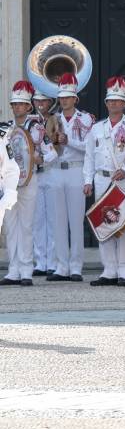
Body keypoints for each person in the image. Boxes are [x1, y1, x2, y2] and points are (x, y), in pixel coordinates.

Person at [82, 76, 125, 287]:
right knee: (104, 222)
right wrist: (87, 181)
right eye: (110, 101)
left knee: (123, 224)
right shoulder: (96, 128)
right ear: (106, 103)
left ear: (124, 104)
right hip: (101, 180)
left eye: (117, 101)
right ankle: (109, 270)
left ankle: (124, 271)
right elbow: (89, 157)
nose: (114, 104)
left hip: (123, 181)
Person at [2, 80, 56, 286]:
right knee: (10, 226)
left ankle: (26, 270)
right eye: (14, 104)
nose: (17, 107)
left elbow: (51, 154)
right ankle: (13, 270)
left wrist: (38, 159)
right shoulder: (6, 128)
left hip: (29, 181)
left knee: (26, 226)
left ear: (28, 106)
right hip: (9, 184)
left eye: (21, 104)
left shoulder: (36, 128)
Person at [45, 72, 93, 282]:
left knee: (75, 221)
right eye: (61, 97)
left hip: (76, 170)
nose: (64, 100)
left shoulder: (85, 119)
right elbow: (47, 147)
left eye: (68, 97)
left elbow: (89, 148)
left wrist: (68, 141)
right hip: (55, 170)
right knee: (58, 222)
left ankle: (75, 267)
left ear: (75, 98)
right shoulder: (52, 119)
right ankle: (61, 266)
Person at [31, 90, 57, 276]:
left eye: (44, 100)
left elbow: (58, 146)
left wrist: (43, 158)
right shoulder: (29, 121)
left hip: (52, 171)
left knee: (53, 220)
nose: (40, 103)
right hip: (33, 176)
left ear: (50, 102)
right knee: (37, 220)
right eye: (37, 100)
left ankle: (53, 261)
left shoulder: (56, 119)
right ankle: (40, 261)